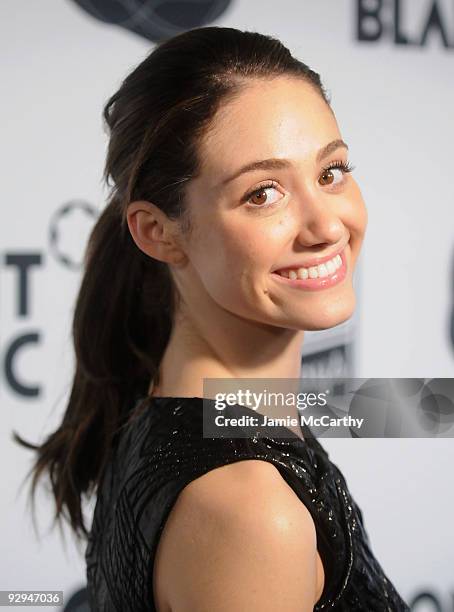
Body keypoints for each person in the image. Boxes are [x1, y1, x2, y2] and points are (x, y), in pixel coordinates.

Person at [16, 26, 410, 611]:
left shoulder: (197, 406)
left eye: (331, 172)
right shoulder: (251, 512)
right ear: (159, 232)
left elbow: (381, 407)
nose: (327, 227)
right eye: (263, 193)